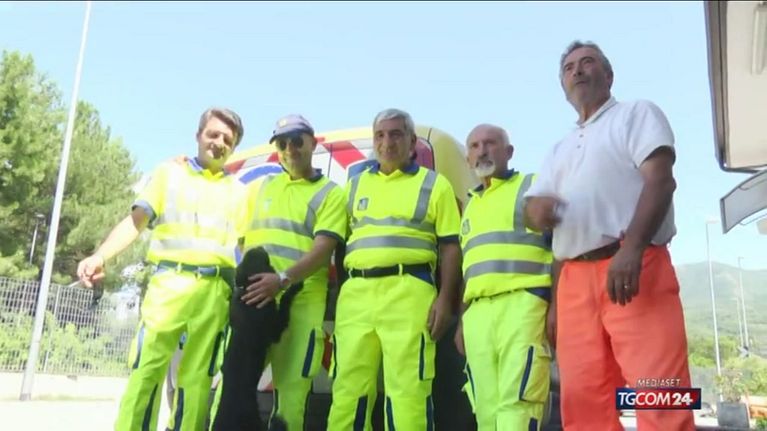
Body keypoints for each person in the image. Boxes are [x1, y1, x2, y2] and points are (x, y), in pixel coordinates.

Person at [524, 40, 694, 431]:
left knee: (660, 393)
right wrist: (535, 213)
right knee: (582, 404)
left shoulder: (636, 114)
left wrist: (631, 248)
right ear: (563, 86)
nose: (577, 70)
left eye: (587, 62)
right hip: (573, 280)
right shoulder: (558, 149)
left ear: (609, 75)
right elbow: (542, 224)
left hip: (634, 264)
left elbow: (661, 181)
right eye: (569, 68)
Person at [76, 107, 247, 431]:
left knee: (197, 381)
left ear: (234, 147)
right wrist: (99, 256)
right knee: (146, 372)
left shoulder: (240, 192)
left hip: (214, 294)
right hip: (168, 285)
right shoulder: (169, 174)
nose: (219, 142)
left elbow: (248, 246)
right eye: (213, 134)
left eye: (228, 139)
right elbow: (135, 222)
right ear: (198, 136)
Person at [326, 108, 462, 430]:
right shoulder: (353, 186)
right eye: (380, 135)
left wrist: (446, 300)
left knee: (408, 393)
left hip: (410, 292)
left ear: (412, 142)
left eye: (396, 134)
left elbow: (451, 246)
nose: (387, 142)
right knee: (347, 391)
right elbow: (336, 244)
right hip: (356, 297)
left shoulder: (434, 185)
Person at [211, 114, 347, 430]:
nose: (290, 149)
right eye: (282, 144)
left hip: (299, 308)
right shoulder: (260, 188)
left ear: (313, 143)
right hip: (254, 306)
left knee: (290, 399)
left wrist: (283, 279)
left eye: (297, 141)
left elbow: (323, 249)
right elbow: (239, 238)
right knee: (231, 391)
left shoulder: (331, 193)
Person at [454, 124, 554, 430]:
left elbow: (561, 248)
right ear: (468, 159)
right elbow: (468, 269)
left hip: (523, 305)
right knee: (485, 408)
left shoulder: (532, 187)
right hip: (478, 315)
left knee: (519, 403)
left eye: (490, 143)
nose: (482, 151)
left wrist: (557, 307)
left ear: (509, 152)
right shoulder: (470, 205)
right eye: (474, 146)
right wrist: (462, 320)